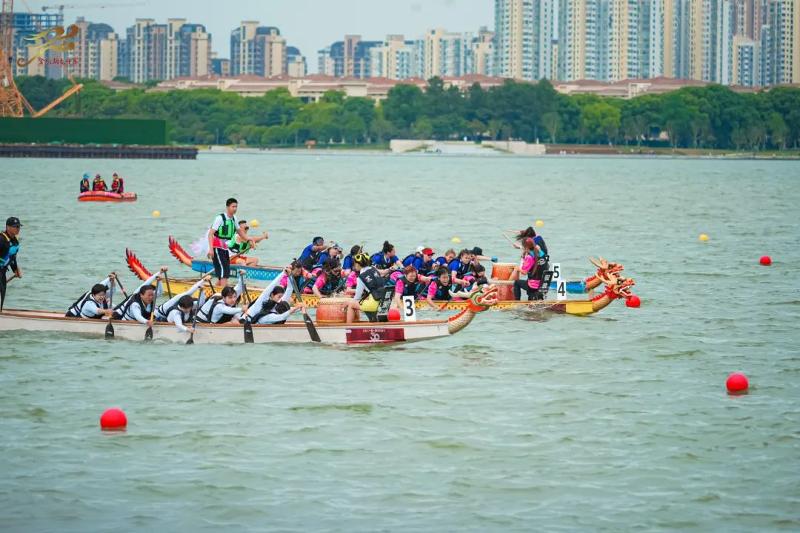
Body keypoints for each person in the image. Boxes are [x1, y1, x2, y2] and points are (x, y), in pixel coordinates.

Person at [207, 198, 252, 288]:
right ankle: (224, 291)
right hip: (217, 247)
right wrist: (211, 249)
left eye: (236, 207)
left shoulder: (234, 218)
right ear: (227, 207)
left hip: (225, 248)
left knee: (225, 270)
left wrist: (249, 239)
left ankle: (217, 289)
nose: (235, 209)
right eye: (233, 206)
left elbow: (239, 231)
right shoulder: (220, 218)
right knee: (224, 270)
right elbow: (210, 234)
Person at [345, 252, 390, 323]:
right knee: (364, 302)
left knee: (351, 304)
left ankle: (348, 327)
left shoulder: (361, 277)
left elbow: (357, 297)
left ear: (357, 264)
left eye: (354, 264)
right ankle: (373, 322)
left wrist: (349, 302)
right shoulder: (374, 269)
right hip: (384, 303)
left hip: (374, 304)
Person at [0, 217, 22, 311]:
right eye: (15, 226)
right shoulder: (1, 239)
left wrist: (15, 269)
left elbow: (12, 258)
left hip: (2, 272)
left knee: (1, 297)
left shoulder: (15, 242)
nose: (18, 228)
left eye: (19, 226)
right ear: (8, 227)